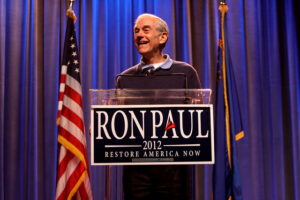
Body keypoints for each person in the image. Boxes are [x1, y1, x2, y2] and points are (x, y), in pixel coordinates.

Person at [115, 13, 201, 200]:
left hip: (174, 171)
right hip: (135, 171)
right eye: (136, 31)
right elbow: (117, 119)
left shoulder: (185, 73)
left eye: (146, 29)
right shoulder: (124, 78)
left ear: (163, 37)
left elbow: (200, 118)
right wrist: (101, 128)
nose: (139, 35)